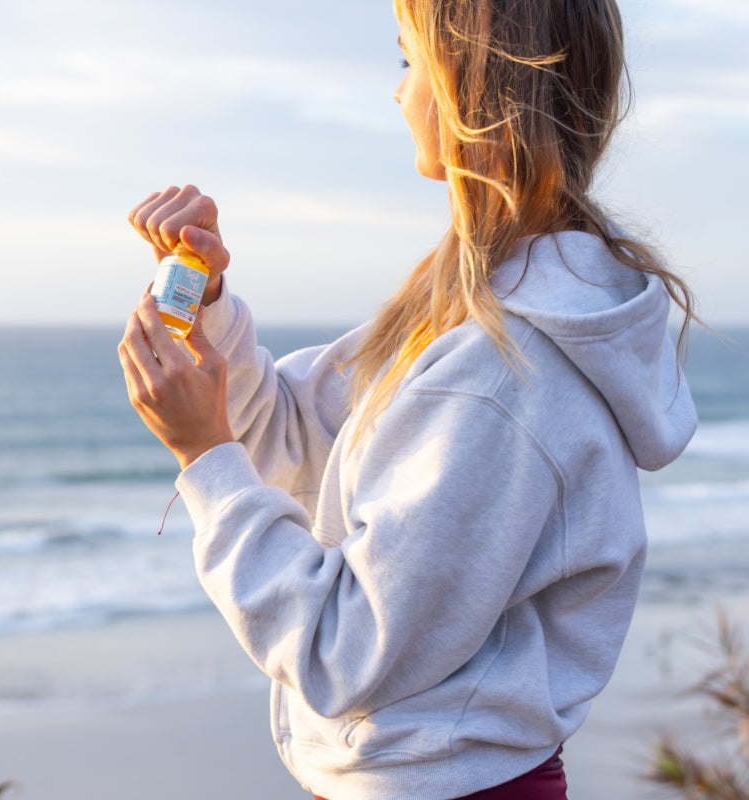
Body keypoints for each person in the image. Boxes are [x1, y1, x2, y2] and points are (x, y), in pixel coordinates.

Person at [118, 0, 698, 797]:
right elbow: (297, 443)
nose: (397, 91)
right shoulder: (466, 311)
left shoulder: (503, 370)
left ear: (470, 85)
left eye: (407, 60)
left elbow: (345, 649)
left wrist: (205, 454)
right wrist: (207, 304)